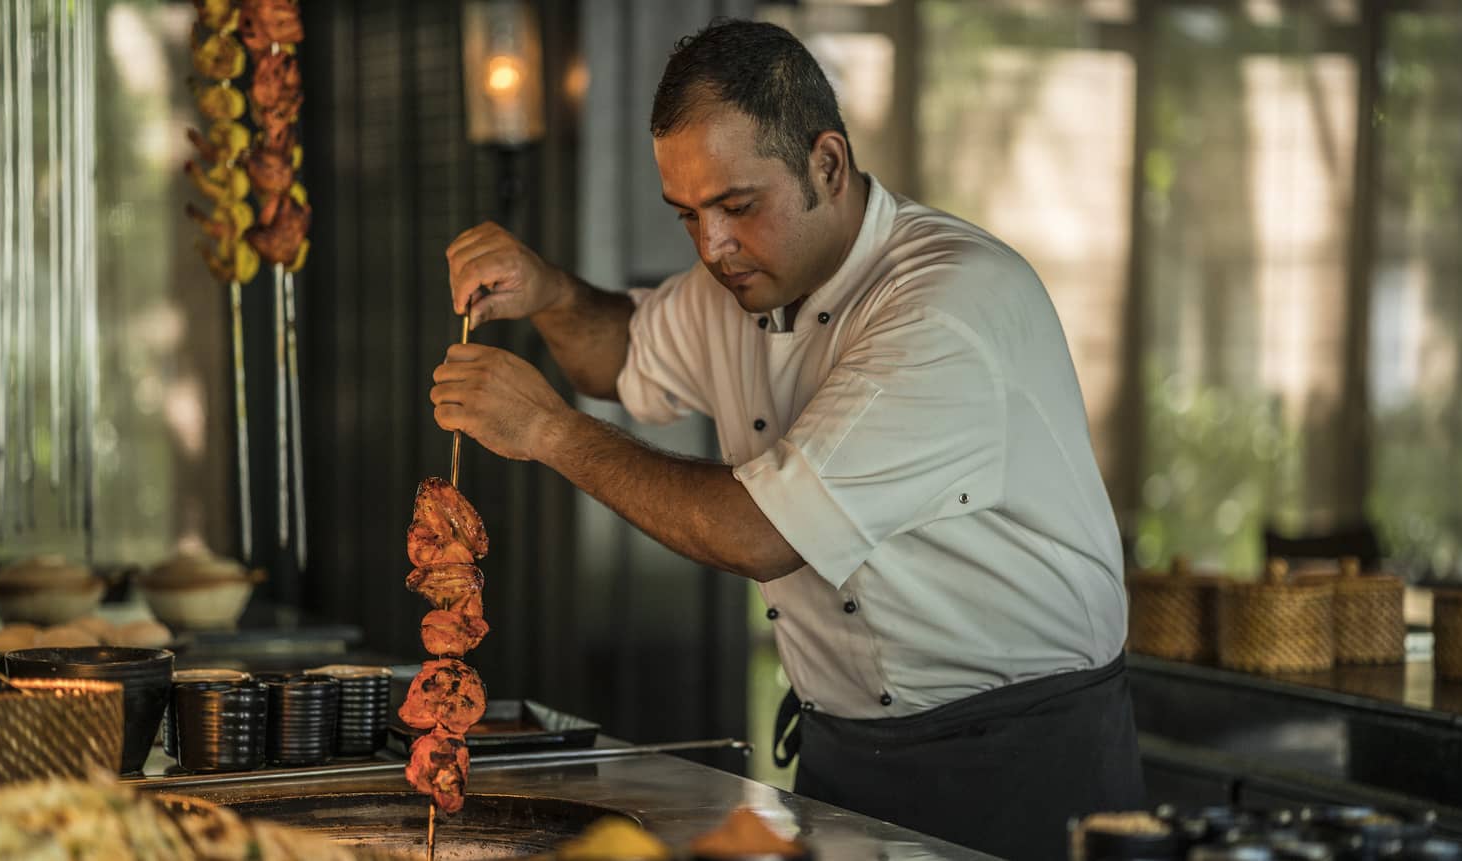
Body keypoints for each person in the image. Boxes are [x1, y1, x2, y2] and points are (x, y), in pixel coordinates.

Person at [432, 17, 1143, 860]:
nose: (712, 246)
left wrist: (548, 430)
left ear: (828, 164)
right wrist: (548, 291)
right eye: (687, 215)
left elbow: (762, 532)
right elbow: (620, 353)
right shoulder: (741, 280)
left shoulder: (947, 305)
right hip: (843, 753)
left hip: (1020, 759)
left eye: (737, 206)